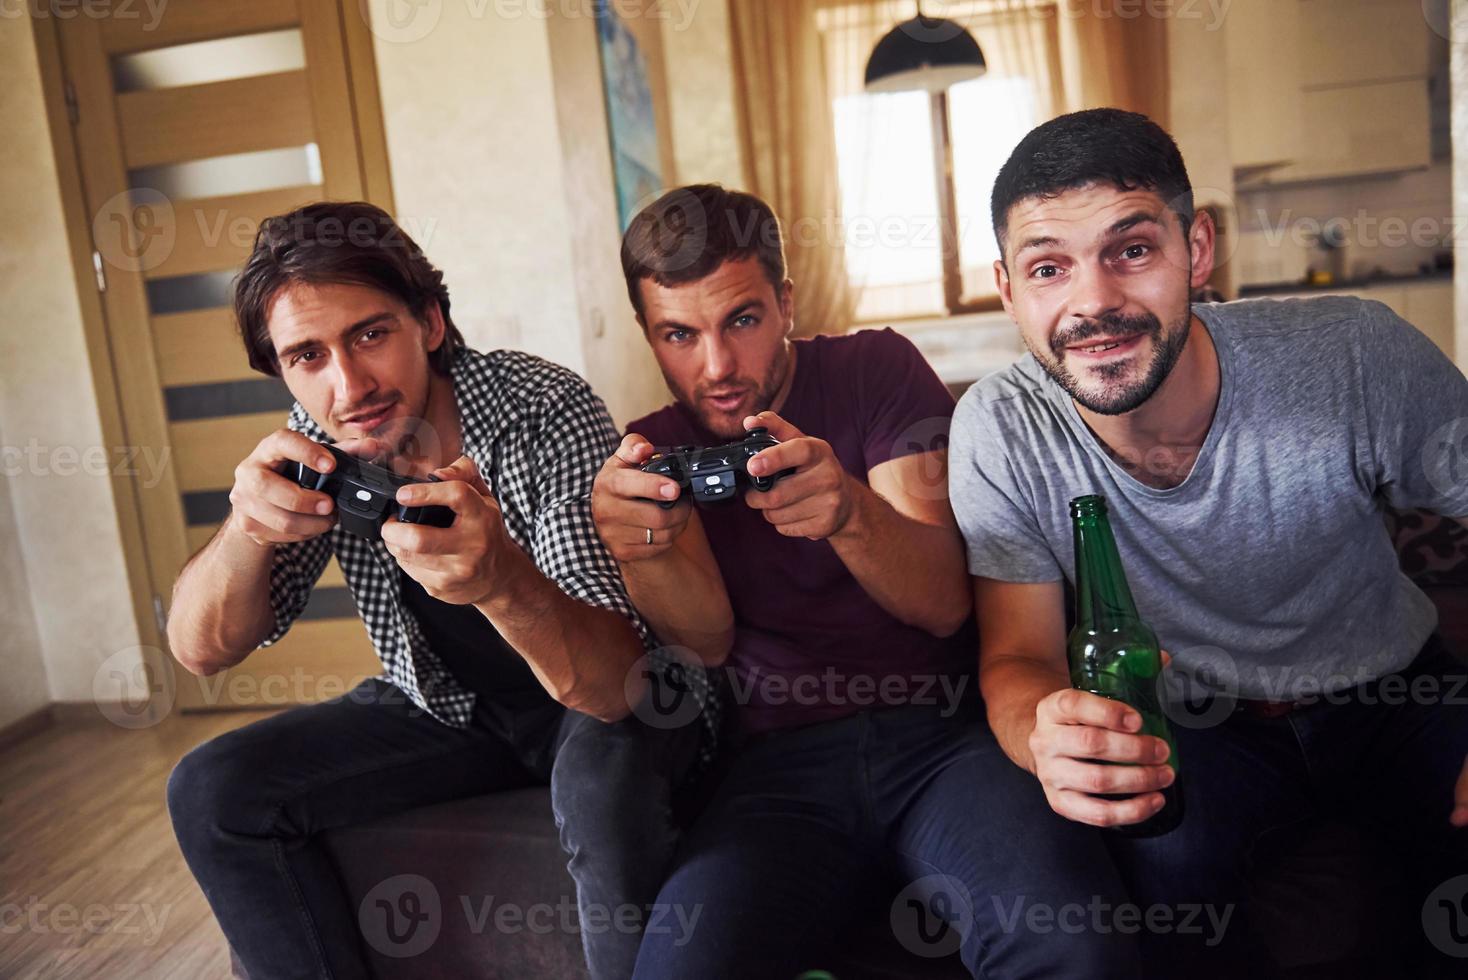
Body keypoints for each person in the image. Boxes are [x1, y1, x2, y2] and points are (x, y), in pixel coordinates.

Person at [950, 107, 1468, 976]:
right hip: (1197, 725)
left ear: (1196, 249)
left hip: (1395, 693)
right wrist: (1041, 732)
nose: (1094, 303)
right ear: (1009, 290)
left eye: (1133, 250)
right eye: (1049, 267)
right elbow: (1017, 655)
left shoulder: (1353, 354)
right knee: (1164, 900)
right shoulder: (998, 430)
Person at [591, 184, 1141, 977]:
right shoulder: (651, 448)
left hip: (946, 739)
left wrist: (849, 512)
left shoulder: (872, 368)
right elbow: (702, 645)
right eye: (679, 334)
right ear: (648, 334)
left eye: (742, 320)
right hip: (780, 766)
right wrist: (644, 551)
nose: (715, 366)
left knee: (1077, 946)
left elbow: (945, 607)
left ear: (784, 304)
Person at [164, 201, 714, 980]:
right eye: (307, 357)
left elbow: (611, 682)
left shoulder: (540, 408)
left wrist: (499, 583)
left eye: (369, 335)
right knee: (210, 789)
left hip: (611, 694)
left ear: (427, 321)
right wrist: (246, 529)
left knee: (598, 781)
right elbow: (199, 649)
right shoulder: (319, 441)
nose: (348, 384)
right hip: (448, 704)